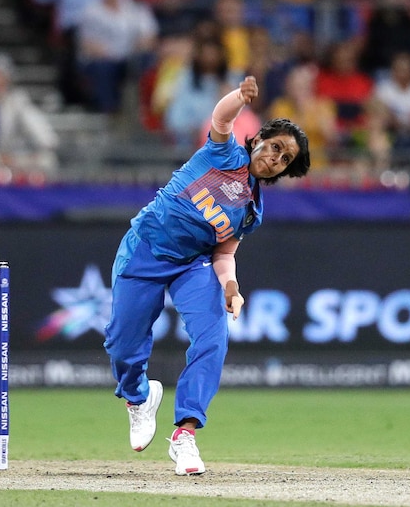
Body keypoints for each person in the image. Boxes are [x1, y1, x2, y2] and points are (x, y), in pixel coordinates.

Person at [103, 76, 310, 475]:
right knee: (122, 346)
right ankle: (139, 397)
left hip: (193, 264)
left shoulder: (252, 211)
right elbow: (221, 116)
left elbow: (224, 252)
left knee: (213, 335)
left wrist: (231, 288)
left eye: (284, 159)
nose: (275, 158)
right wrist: (240, 96)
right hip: (145, 248)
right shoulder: (224, 154)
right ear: (259, 139)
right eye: (275, 147)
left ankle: (185, 435)